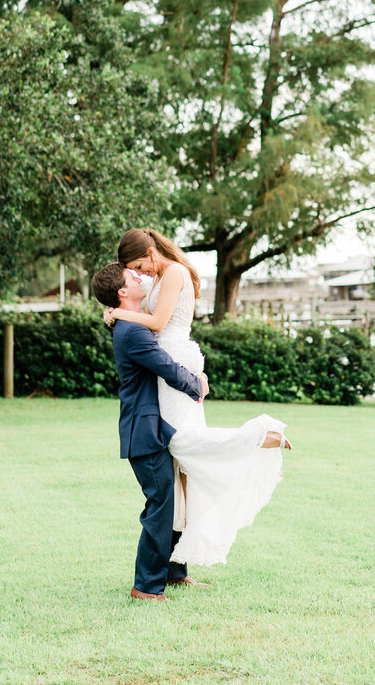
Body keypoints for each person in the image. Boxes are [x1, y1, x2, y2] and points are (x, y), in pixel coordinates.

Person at [103, 228, 291, 567]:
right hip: (170, 359)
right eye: (135, 271)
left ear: (150, 250)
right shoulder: (160, 276)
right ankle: (177, 565)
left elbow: (158, 322)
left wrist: (118, 314)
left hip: (174, 357)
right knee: (180, 466)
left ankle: (256, 438)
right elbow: (142, 314)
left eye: (140, 266)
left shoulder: (174, 271)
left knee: (183, 443)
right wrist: (116, 310)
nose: (141, 274)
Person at [90, 262, 209, 602]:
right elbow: (168, 369)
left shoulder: (131, 325)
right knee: (160, 503)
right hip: (143, 430)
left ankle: (174, 572)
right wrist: (196, 384)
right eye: (133, 276)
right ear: (123, 292)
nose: (140, 277)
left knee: (170, 501)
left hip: (151, 426)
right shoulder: (135, 333)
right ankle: (145, 586)